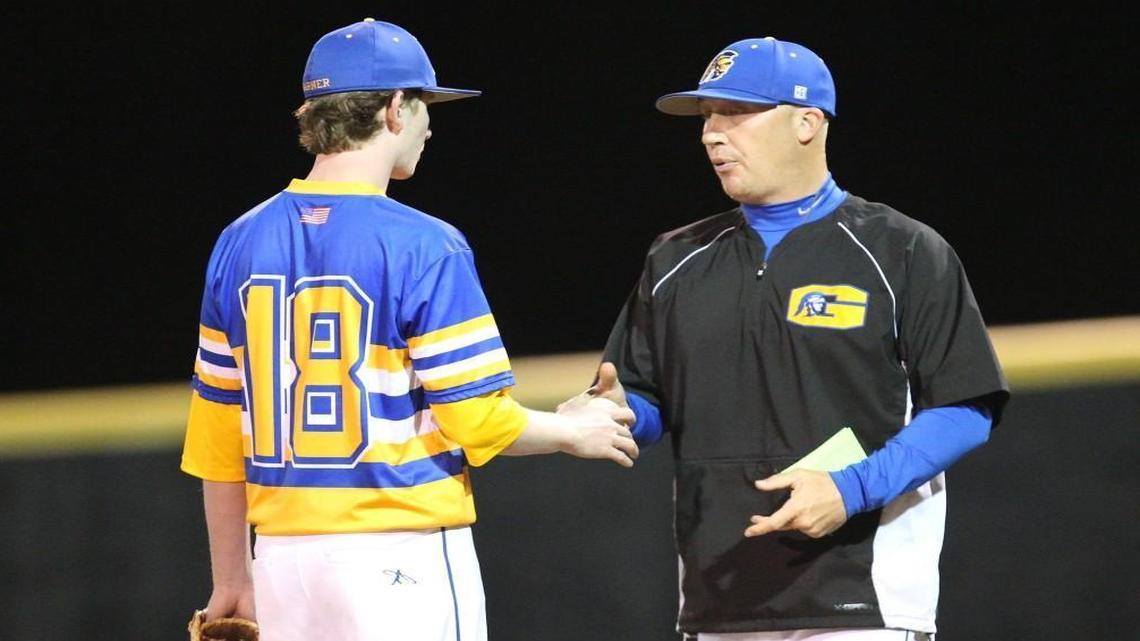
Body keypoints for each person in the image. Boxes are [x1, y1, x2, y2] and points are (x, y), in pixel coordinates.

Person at [179, 18, 638, 641]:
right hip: (397, 552)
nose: (430, 123)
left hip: (282, 560)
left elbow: (216, 432)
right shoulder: (424, 243)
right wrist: (571, 430)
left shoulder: (239, 241)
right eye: (425, 105)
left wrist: (232, 577)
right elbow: (478, 420)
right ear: (395, 108)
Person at [579, 36, 1010, 640]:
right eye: (707, 117)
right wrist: (615, 415)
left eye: (736, 113)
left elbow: (965, 405)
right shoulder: (675, 257)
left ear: (808, 122)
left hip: (863, 595)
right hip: (721, 594)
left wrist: (851, 487)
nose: (711, 133)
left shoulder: (901, 249)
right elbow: (648, 401)